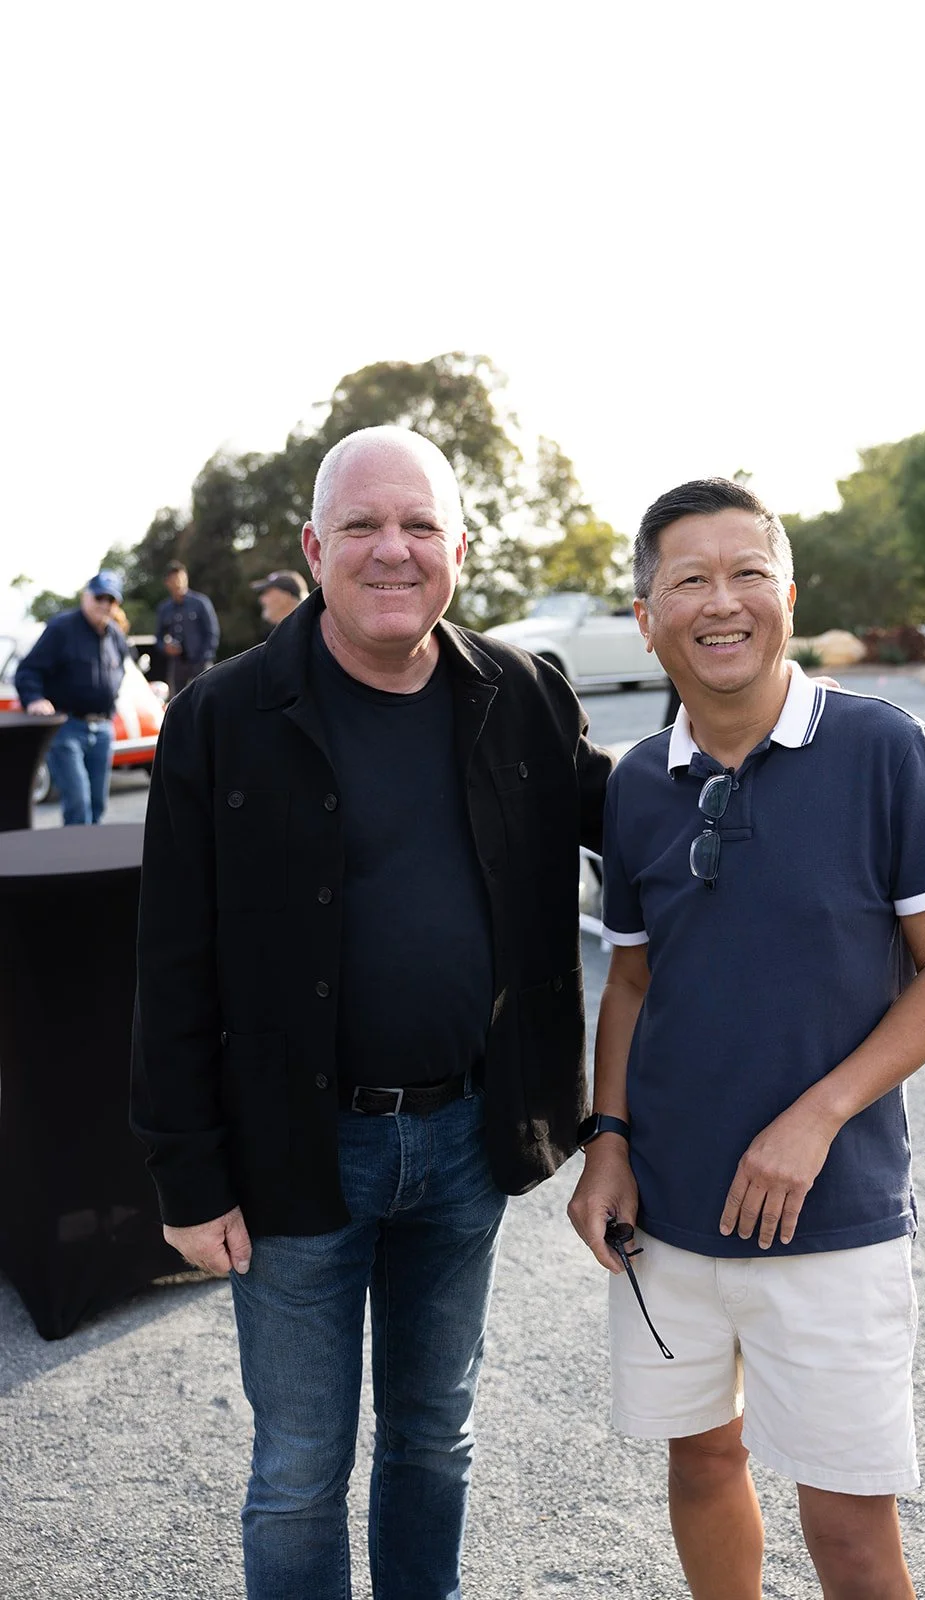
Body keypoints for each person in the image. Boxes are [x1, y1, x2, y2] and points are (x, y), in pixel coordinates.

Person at [131, 425, 612, 1600]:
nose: (390, 550)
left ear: (459, 546)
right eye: (360, 526)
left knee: (431, 1437)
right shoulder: (223, 716)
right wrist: (187, 1179)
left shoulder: (522, 693)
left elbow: (645, 824)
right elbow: (171, 960)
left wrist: (808, 770)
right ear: (313, 543)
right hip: (297, 1155)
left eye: (417, 526)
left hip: (464, 1143)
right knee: (298, 1464)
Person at [568, 477, 925, 1600]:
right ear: (648, 613)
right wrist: (606, 1139)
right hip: (668, 1215)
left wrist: (813, 1117)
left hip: (833, 1212)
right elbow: (630, 981)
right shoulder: (636, 788)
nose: (721, 600)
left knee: (848, 1532)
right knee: (702, 1460)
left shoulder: (880, 747)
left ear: (787, 595)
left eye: (746, 572)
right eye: (688, 578)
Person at [15, 570, 128, 825]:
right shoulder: (61, 629)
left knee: (98, 804)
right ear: (85, 596)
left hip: (102, 729)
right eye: (99, 597)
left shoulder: (115, 636)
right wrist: (34, 699)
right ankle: (77, 861)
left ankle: (94, 859)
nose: (103, 604)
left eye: (110, 600)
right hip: (68, 728)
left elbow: (121, 670)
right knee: (78, 802)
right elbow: (28, 670)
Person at [154, 560, 220, 692]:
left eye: (180, 578)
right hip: (178, 664)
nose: (178, 583)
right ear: (167, 583)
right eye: (173, 579)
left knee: (206, 698)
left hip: (201, 662)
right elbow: (159, 637)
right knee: (177, 701)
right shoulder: (164, 608)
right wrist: (166, 648)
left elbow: (212, 632)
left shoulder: (200, 603)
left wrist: (204, 657)